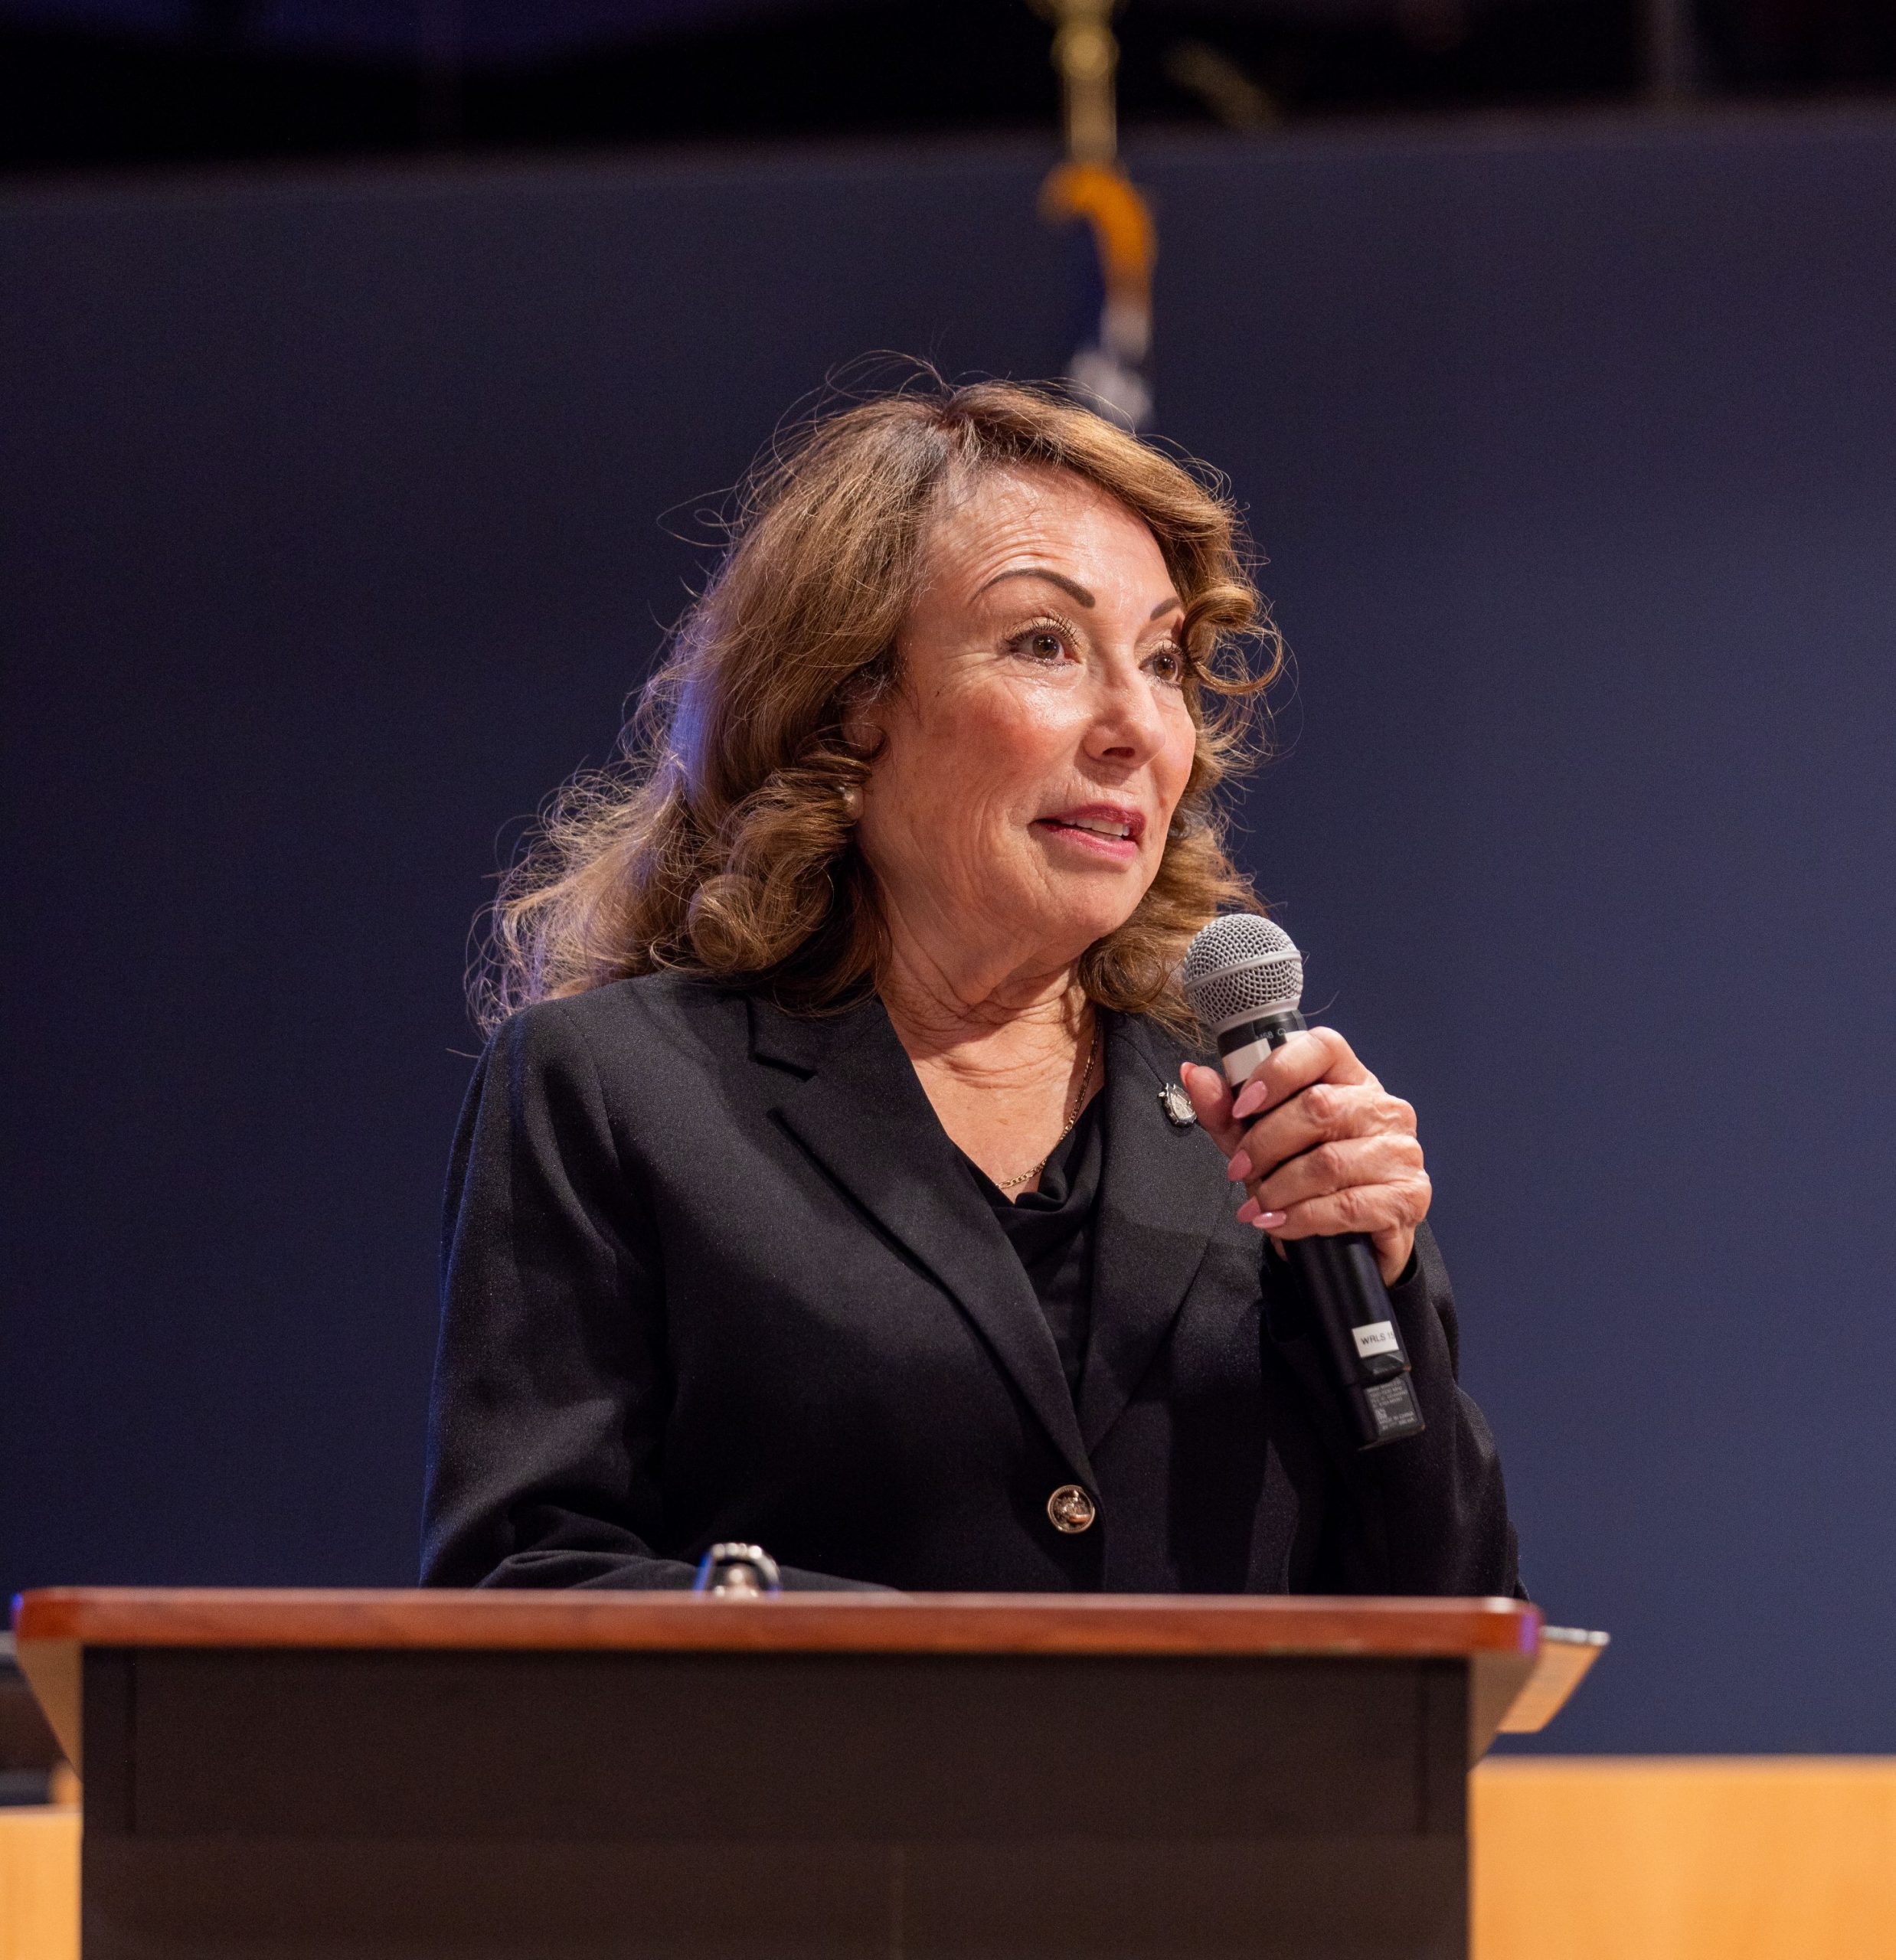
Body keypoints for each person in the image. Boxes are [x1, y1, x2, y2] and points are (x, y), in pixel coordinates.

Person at [420, 377, 1518, 1596]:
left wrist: (1389, 1285)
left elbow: (1451, 1626)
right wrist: (959, 1691)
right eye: (1046, 643)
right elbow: (525, 1590)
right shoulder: (621, 1094)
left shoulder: (1256, 1130)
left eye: (1162, 661)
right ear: (854, 701)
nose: (1136, 728)